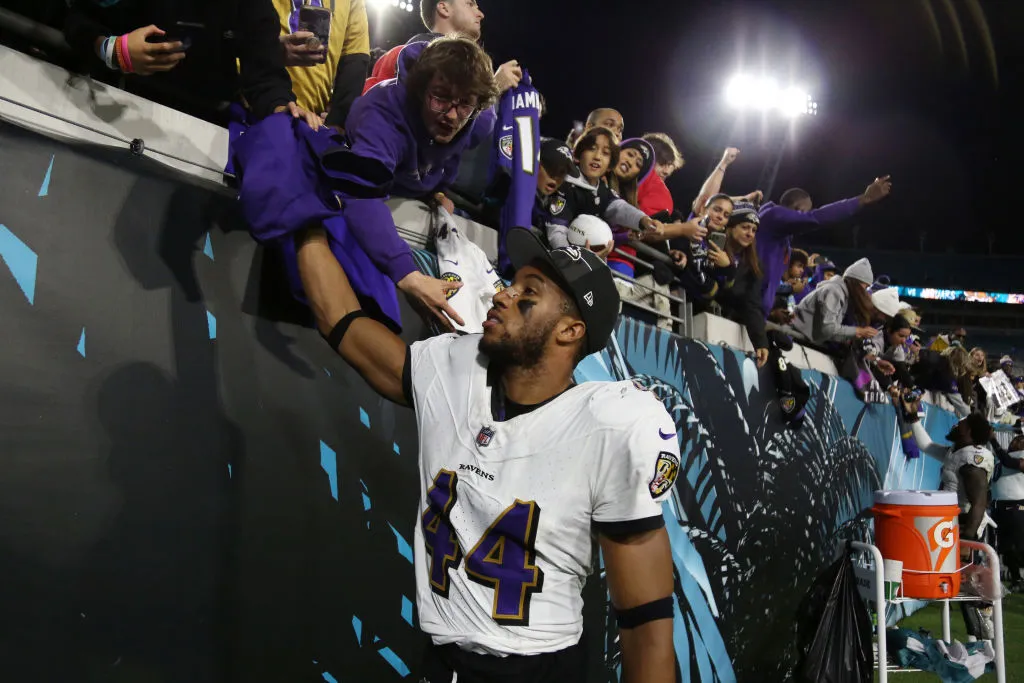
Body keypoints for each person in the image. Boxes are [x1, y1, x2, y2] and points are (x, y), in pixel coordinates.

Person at [287, 224, 678, 682]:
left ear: (571, 330)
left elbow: (645, 616)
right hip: (441, 659)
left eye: (528, 291)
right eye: (511, 282)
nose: (502, 295)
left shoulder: (609, 425)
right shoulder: (456, 369)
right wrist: (307, 219)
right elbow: (343, 323)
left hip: (537, 669)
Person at [333, 36, 499, 324]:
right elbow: (361, 196)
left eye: (464, 104)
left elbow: (452, 149)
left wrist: (438, 190)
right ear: (420, 88)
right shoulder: (382, 114)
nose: (450, 115)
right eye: (440, 97)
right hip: (368, 189)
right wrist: (409, 276)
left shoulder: (479, 122)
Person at [62, 0, 314, 127]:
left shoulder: (253, 6)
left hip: (202, 131)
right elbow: (73, 16)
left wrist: (283, 110)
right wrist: (112, 50)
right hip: (114, 110)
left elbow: (264, 71)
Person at [903, 407, 999, 641]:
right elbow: (926, 445)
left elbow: (978, 503)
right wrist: (913, 416)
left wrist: (968, 540)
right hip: (952, 523)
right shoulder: (958, 451)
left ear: (970, 432)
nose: (956, 426)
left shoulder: (972, 459)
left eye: (961, 424)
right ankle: (977, 641)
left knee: (968, 589)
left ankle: (984, 641)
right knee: (958, 586)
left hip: (968, 525)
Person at [756, 177, 893, 314]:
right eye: (804, 212)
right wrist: (864, 198)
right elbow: (816, 218)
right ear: (797, 209)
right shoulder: (773, 215)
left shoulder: (781, 236)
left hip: (757, 308)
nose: (804, 218)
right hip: (750, 306)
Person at [544, 127, 663, 256]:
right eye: (592, 149)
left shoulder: (602, 189)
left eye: (605, 153)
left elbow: (619, 207)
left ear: (610, 165)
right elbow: (556, 231)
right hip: (556, 261)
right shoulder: (565, 184)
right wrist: (574, 260)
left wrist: (644, 220)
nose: (597, 157)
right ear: (578, 155)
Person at [362, 0, 522, 95]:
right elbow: (438, 127)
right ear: (444, 8)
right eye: (470, 4)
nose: (480, 14)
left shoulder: (465, 62)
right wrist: (495, 88)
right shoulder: (415, 54)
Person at [274, 0, 370, 130]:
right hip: (252, 103)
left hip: (312, 120)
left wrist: (335, 121)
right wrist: (272, 50)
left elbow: (355, 61)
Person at [715, 205, 769, 367]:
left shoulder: (754, 264)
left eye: (753, 230)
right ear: (730, 228)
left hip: (725, 323)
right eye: (745, 227)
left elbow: (751, 302)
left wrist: (761, 342)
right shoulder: (714, 245)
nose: (749, 233)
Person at [790, 257, 877, 346]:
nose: (865, 291)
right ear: (856, 283)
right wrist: (858, 331)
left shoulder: (843, 294)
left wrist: (855, 335)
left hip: (803, 340)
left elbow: (830, 333)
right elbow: (827, 329)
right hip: (795, 339)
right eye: (865, 287)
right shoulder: (834, 291)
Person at [991, 435, 1024, 591]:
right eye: (1015, 440)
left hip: (1017, 507)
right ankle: (1017, 579)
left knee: (1019, 546)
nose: (1015, 443)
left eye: (1019, 441)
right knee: (1005, 548)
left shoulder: (1011, 459)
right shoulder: (1000, 461)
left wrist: (993, 441)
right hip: (998, 507)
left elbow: (1009, 461)